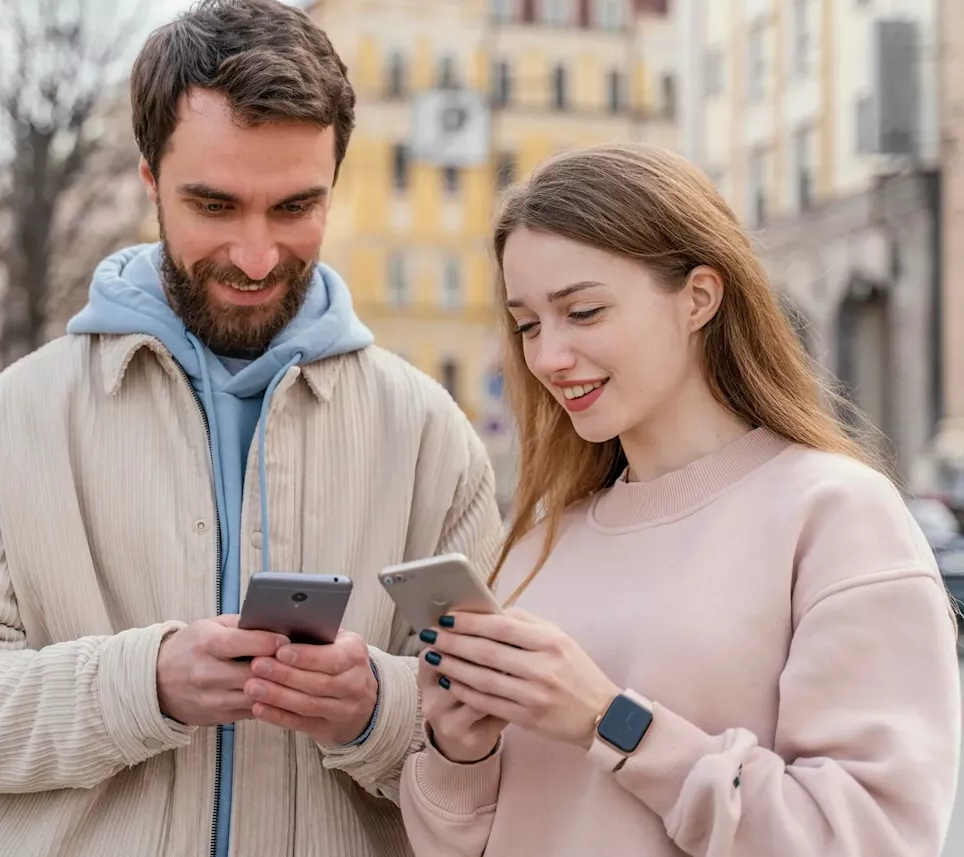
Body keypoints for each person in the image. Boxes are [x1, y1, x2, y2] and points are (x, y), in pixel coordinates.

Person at [0, 1, 502, 855]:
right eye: (215, 205)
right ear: (150, 180)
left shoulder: (430, 433)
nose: (256, 255)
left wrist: (376, 709)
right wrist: (146, 684)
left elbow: (492, 744)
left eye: (296, 208)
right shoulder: (13, 419)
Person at [399, 142, 962, 856]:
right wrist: (458, 752)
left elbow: (867, 839)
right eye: (529, 323)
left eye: (583, 310)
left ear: (699, 296)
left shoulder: (835, 514)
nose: (547, 356)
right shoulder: (540, 540)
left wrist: (606, 720)